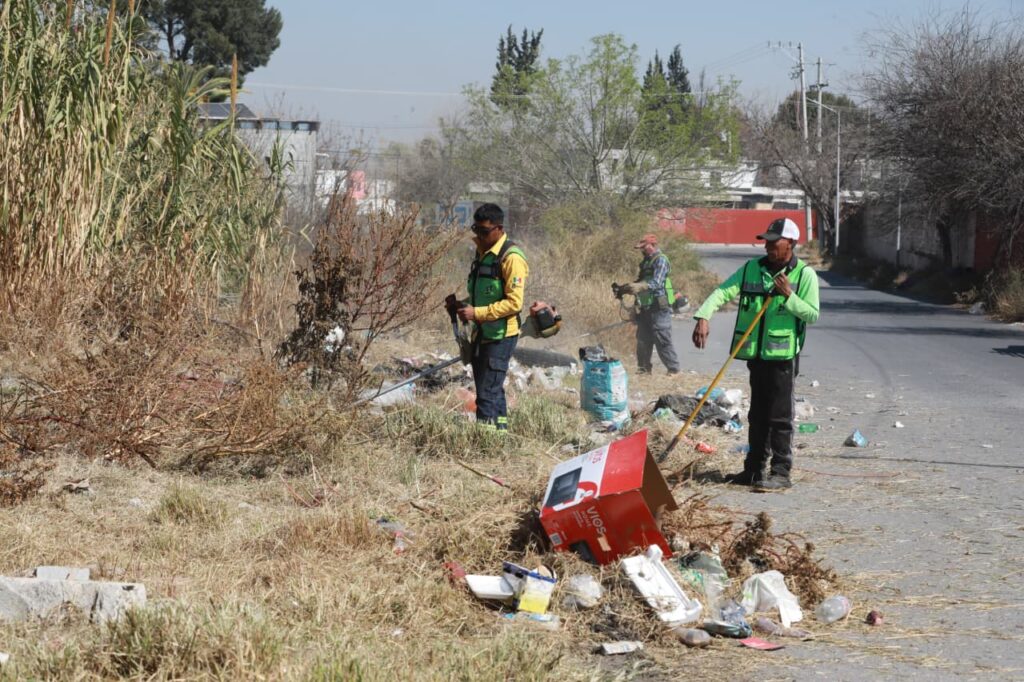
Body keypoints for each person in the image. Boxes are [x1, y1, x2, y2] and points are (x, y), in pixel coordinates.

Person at [690, 218, 820, 491]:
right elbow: (723, 292)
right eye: (766, 242)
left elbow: (812, 314)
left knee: (779, 418)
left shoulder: (804, 274)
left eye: (774, 242)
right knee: (757, 416)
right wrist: (703, 315)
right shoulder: (752, 268)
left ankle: (781, 473)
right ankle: (753, 470)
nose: (768, 247)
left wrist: (789, 296)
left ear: (791, 243)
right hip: (756, 355)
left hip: (783, 358)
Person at [447, 203, 528, 432]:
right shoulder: (482, 254)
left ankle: (486, 441)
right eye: (476, 230)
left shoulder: (511, 258)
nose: (479, 236)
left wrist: (477, 313)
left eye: (484, 231)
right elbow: (482, 296)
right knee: (491, 388)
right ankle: (500, 433)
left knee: (486, 394)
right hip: (482, 334)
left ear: (499, 229)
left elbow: (514, 303)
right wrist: (461, 305)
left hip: (501, 335)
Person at [617, 233, 681, 375]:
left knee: (662, 338)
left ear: (652, 245)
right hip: (645, 306)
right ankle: (644, 370)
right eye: (641, 248)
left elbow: (657, 282)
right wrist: (626, 289)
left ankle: (673, 370)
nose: (642, 250)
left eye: (644, 247)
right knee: (643, 340)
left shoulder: (660, 260)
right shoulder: (645, 262)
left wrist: (641, 286)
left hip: (659, 307)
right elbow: (639, 282)